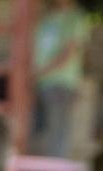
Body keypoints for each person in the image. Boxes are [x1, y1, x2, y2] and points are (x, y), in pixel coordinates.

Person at [32, 0, 90, 158]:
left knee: (57, 135)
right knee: (40, 133)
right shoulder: (46, 19)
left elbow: (68, 53)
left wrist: (40, 72)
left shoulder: (75, 19)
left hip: (61, 83)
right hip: (40, 83)